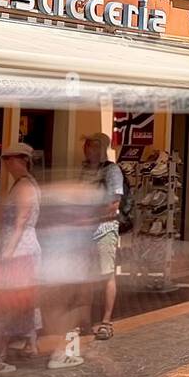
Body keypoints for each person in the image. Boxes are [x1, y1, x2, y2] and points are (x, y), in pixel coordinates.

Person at [0, 144, 42, 375]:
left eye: (9, 159)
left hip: (19, 250)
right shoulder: (20, 184)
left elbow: (20, 223)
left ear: (22, 160)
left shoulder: (24, 186)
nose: (6, 164)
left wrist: (7, 255)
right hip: (15, 248)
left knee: (9, 304)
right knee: (11, 303)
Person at [82, 133, 123, 341]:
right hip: (85, 231)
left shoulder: (112, 171)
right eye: (86, 145)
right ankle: (85, 321)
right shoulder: (85, 171)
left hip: (105, 228)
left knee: (106, 273)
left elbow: (114, 204)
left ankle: (106, 321)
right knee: (86, 275)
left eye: (91, 146)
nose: (87, 149)